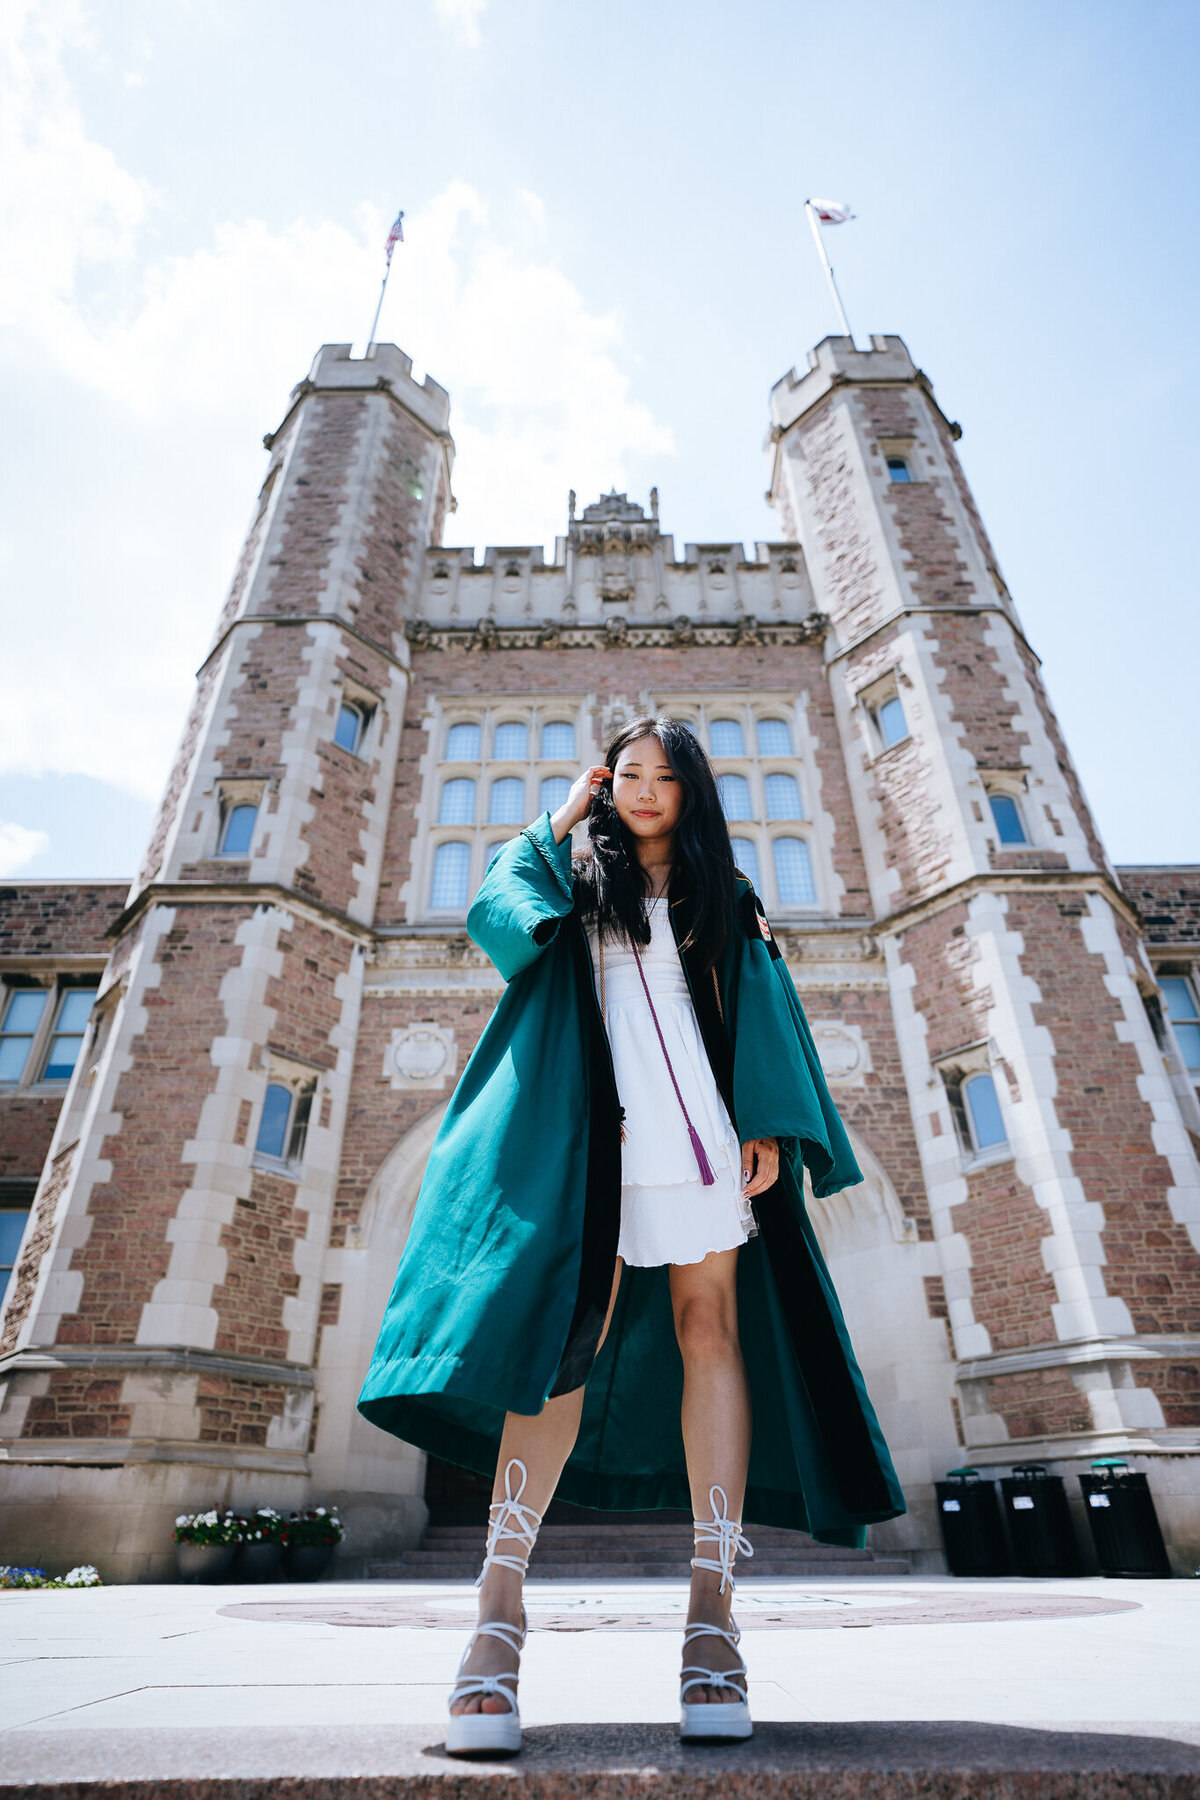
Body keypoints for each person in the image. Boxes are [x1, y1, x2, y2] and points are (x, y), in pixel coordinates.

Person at [358, 713, 904, 1756]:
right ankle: (497, 1613)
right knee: (569, 1346)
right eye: (630, 776)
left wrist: (775, 1125)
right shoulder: (572, 874)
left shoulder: (724, 898)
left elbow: (766, 1011)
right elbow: (493, 915)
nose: (646, 792)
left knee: (712, 1335)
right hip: (594, 1136)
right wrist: (562, 811)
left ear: (693, 791)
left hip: (703, 1134)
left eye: (666, 777)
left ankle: (713, 1613)